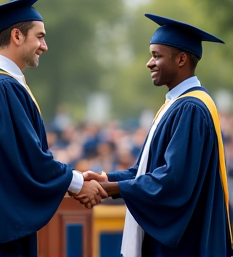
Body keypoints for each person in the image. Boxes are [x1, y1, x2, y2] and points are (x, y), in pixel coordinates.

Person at [0, 0, 107, 257]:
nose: (44, 46)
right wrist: (77, 183)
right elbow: (28, 159)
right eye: (40, 37)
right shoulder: (1, 89)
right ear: (17, 36)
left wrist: (74, 179)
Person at [75, 14, 233, 256]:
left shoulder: (191, 109)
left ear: (181, 59)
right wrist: (106, 178)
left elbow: (172, 181)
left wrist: (111, 187)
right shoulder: (175, 105)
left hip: (184, 244)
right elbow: (146, 171)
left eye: (157, 56)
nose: (149, 63)